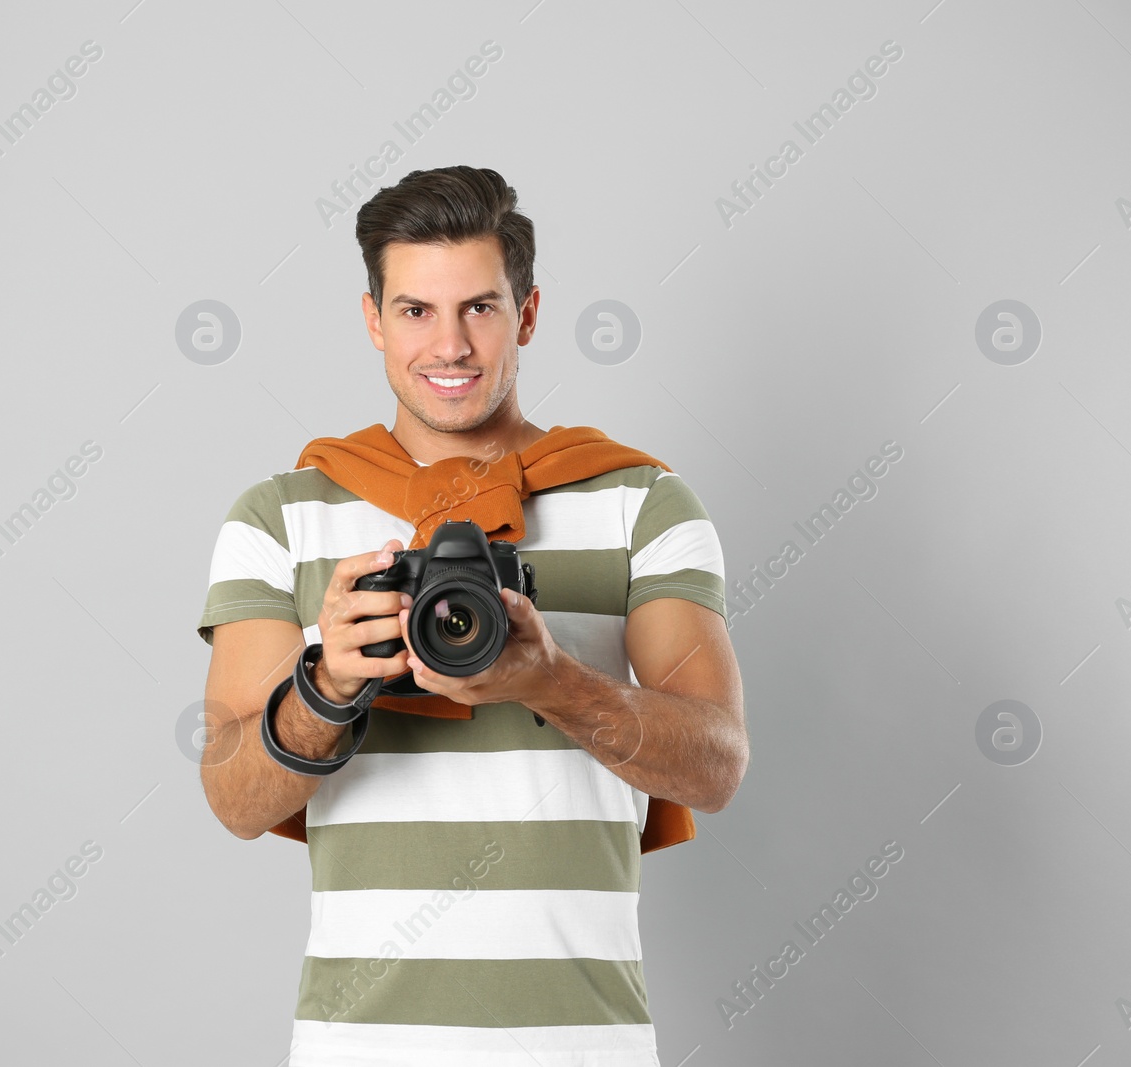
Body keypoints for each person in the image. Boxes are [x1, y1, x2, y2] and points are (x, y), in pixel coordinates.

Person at [196, 165, 748, 1066]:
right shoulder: (280, 517)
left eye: (479, 309)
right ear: (373, 319)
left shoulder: (642, 501)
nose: (448, 345)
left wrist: (553, 680)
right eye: (415, 311)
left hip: (584, 1044)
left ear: (527, 314)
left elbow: (716, 766)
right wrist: (330, 680)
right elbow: (232, 795)